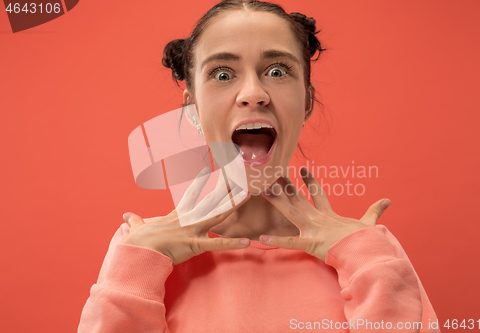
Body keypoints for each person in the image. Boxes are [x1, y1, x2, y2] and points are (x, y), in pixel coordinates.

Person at [78, 0, 440, 332]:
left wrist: (365, 260)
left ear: (307, 103)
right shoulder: (142, 250)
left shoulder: (370, 252)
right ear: (193, 111)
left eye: (278, 71)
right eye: (222, 74)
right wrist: (137, 269)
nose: (253, 93)